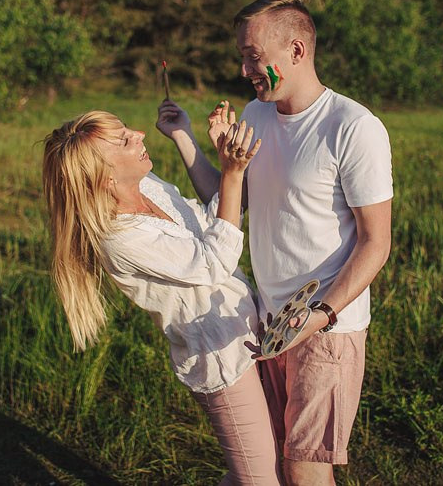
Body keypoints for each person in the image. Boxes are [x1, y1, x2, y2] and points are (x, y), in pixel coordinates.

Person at [161, 0, 393, 486]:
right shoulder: (257, 113)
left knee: (306, 472)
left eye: (253, 56)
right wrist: (185, 138)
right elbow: (229, 203)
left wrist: (320, 316)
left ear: (295, 50)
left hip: (327, 328)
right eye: (243, 56)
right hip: (266, 325)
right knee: (272, 466)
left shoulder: (352, 127)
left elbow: (376, 243)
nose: (245, 69)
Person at [41, 109, 280, 485]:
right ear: (104, 178)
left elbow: (210, 223)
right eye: (123, 140)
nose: (139, 133)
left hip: (248, 329)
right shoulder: (119, 239)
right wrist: (232, 173)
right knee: (258, 479)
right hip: (222, 357)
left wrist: (187, 137)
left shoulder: (148, 185)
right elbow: (213, 261)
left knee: (261, 470)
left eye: (126, 128)